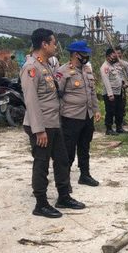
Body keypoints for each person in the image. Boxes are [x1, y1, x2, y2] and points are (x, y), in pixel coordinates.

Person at [21, 28, 85, 218]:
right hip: (41, 125)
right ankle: (40, 203)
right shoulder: (31, 67)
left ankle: (63, 196)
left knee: (62, 160)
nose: (56, 46)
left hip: (53, 123)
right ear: (44, 44)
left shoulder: (46, 65)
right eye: (54, 42)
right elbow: (31, 101)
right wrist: (39, 130)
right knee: (41, 163)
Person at [56, 41, 102, 188]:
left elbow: (92, 92)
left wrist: (96, 109)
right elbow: (57, 94)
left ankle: (85, 175)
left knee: (84, 146)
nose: (86, 57)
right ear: (76, 54)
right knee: (68, 150)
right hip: (71, 116)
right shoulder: (63, 71)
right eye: (84, 54)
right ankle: (65, 180)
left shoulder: (87, 70)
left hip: (87, 115)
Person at [100, 48, 125, 135]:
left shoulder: (113, 66)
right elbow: (106, 81)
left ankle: (119, 127)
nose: (115, 58)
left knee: (119, 110)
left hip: (118, 92)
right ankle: (109, 129)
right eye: (113, 56)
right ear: (107, 56)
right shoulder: (105, 67)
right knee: (110, 111)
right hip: (110, 93)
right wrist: (110, 94)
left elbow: (118, 77)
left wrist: (123, 83)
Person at [115, 45, 128, 125]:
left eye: (119, 53)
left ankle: (122, 119)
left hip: (123, 86)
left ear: (121, 54)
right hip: (114, 87)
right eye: (116, 53)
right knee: (114, 104)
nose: (118, 55)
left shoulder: (125, 63)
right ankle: (115, 119)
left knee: (122, 103)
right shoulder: (111, 64)